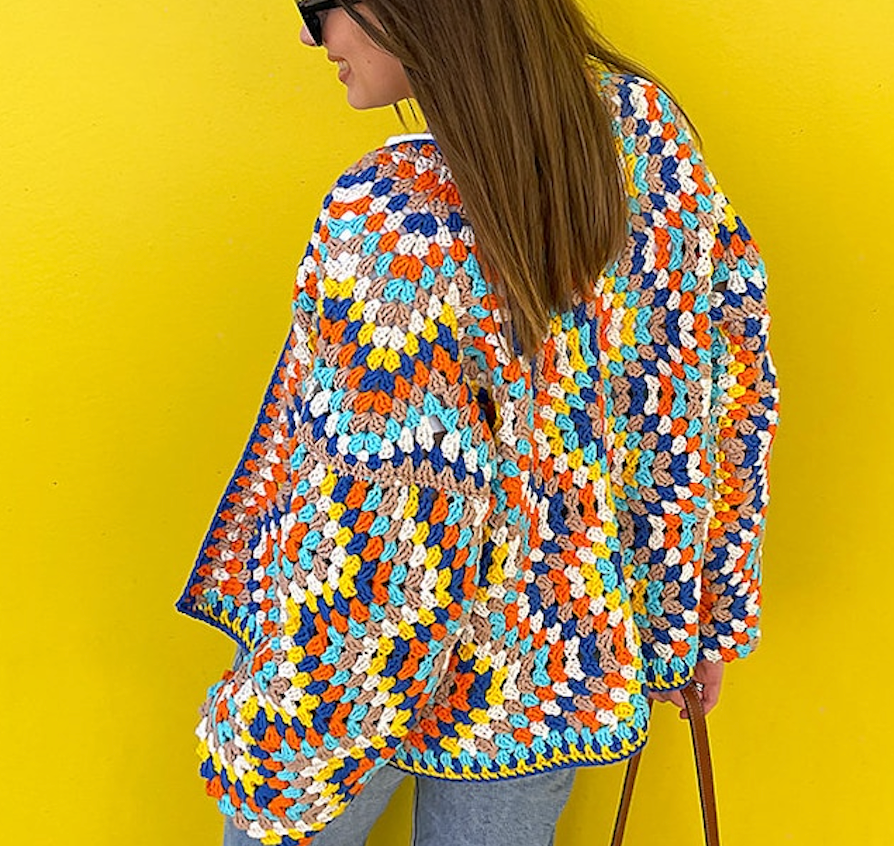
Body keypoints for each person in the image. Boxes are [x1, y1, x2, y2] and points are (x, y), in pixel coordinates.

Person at [175, 0, 779, 844]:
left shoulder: (395, 215)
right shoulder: (647, 136)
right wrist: (693, 614)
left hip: (353, 682)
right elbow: (712, 391)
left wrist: (277, 759)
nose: (310, 35)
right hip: (547, 672)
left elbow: (383, 538)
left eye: (320, 4)